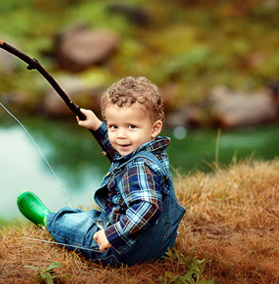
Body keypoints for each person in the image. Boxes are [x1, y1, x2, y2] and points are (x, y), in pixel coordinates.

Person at [17, 76, 186, 266]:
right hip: (161, 243)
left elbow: (148, 206)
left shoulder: (140, 167)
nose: (121, 135)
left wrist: (111, 235)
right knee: (88, 216)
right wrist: (98, 126)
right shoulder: (149, 149)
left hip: (124, 250)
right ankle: (71, 219)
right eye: (114, 126)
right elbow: (122, 150)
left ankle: (48, 220)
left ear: (154, 128)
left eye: (131, 126)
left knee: (74, 225)